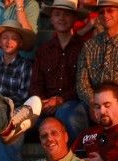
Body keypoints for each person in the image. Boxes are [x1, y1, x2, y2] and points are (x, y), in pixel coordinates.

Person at [0, 20, 36, 161]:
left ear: (19, 43)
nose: (9, 41)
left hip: (17, 112)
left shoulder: (25, 66)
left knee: (9, 130)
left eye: (13, 38)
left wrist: (4, 106)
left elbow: (24, 94)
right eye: (5, 37)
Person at [31, 0, 89, 143]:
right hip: (46, 106)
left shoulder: (85, 48)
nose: (61, 18)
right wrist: (43, 102)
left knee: (66, 113)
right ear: (51, 19)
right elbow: (36, 84)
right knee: (17, 120)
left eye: (67, 14)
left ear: (74, 18)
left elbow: (85, 84)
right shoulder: (44, 50)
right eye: (57, 14)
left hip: (74, 103)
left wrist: (60, 100)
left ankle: (77, 158)